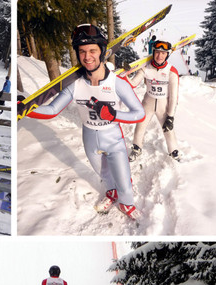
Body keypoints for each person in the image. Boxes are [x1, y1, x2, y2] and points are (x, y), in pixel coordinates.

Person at [21, 24, 145, 220]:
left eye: (92, 51)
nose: (87, 57)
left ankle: (127, 204)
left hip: (113, 138)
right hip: (89, 138)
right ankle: (111, 193)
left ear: (102, 51)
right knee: (104, 174)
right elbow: (52, 110)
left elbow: (139, 114)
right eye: (82, 52)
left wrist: (113, 115)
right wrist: (26, 111)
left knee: (123, 179)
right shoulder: (75, 85)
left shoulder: (117, 83)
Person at [127, 40, 180, 162]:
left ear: (167, 55)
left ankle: (173, 151)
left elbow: (173, 97)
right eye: (157, 52)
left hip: (164, 105)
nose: (160, 56)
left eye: (163, 53)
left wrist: (170, 116)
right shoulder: (145, 67)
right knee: (140, 125)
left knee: (168, 128)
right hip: (148, 102)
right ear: (153, 52)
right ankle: (136, 148)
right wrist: (126, 74)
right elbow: (133, 83)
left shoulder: (172, 71)